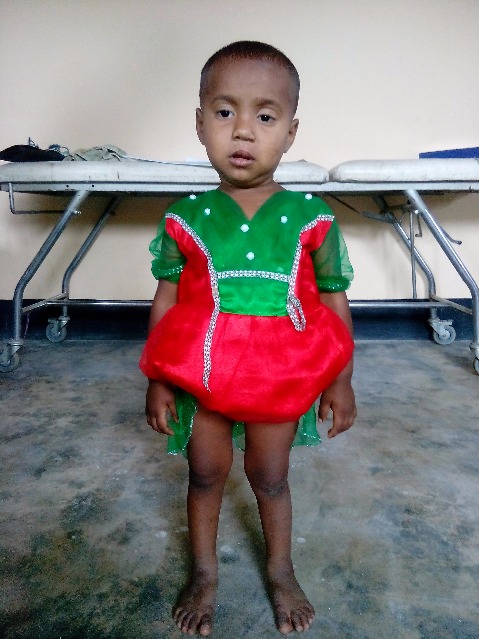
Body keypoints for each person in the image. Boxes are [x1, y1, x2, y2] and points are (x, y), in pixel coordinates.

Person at [140, 40, 357, 636]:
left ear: (290, 133)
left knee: (270, 477)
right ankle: (204, 572)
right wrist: (157, 379)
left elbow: (333, 301)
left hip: (280, 375)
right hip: (201, 372)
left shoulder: (314, 217)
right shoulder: (185, 216)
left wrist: (341, 379)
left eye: (265, 116)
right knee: (205, 473)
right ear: (199, 123)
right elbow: (166, 301)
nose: (243, 130)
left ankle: (281, 570)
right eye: (224, 111)